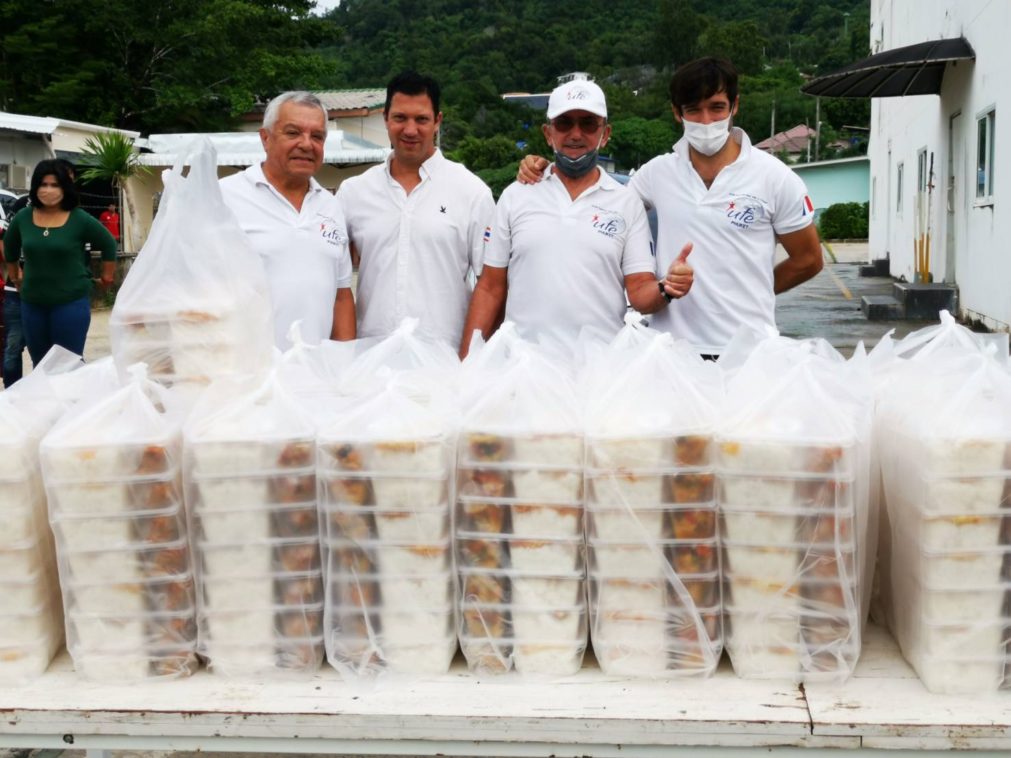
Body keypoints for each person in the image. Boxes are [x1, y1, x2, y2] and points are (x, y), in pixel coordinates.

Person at [519, 58, 822, 357]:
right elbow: (599, 201)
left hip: (749, 352)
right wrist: (545, 169)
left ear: (735, 106)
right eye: (693, 109)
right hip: (672, 352)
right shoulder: (657, 174)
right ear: (677, 113)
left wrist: (756, 291)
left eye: (717, 107)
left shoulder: (775, 177)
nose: (706, 121)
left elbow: (809, 259)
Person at [459, 79, 693, 358]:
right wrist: (466, 364)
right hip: (523, 368)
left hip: (598, 370)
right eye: (564, 123)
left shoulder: (626, 203)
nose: (575, 133)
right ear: (548, 133)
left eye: (588, 123)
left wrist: (667, 288)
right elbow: (490, 288)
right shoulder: (515, 195)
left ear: (605, 133)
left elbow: (640, 291)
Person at [337, 71, 495, 347]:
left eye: (421, 119)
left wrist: (470, 360)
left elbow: (490, 286)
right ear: (386, 118)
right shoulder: (353, 192)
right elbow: (335, 284)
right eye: (400, 118)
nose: (410, 130)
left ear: (437, 121)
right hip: (371, 361)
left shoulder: (472, 192)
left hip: (444, 361)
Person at [220, 91, 355, 347]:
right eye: (293, 133)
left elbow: (341, 296)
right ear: (265, 138)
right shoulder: (223, 198)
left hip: (316, 376)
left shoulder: (331, 206)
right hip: (247, 378)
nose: (306, 144)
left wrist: (343, 362)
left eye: (317, 136)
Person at [3, 160, 116, 365]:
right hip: (32, 305)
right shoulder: (23, 217)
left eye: (55, 185)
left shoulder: (79, 218)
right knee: (41, 365)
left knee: (68, 365)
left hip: (70, 304)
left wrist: (107, 277)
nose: (48, 190)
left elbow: (109, 243)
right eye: (43, 184)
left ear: (65, 187)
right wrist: (15, 275)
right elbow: (9, 246)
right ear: (35, 187)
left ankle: (73, 398)